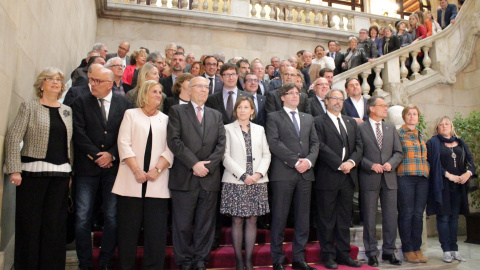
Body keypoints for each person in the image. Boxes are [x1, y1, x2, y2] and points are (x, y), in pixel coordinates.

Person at [5, 68, 71, 269]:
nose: (55, 82)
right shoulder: (29, 106)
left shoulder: (67, 110)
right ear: (41, 84)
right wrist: (14, 169)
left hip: (60, 175)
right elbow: (14, 137)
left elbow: (69, 143)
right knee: (30, 225)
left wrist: (70, 172)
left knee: (54, 226)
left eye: (58, 80)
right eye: (50, 79)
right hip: (32, 174)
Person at [72, 67, 132, 270]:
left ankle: (105, 261)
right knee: (82, 218)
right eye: (92, 80)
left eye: (98, 81)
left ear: (109, 83)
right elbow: (78, 133)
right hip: (86, 169)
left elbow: (127, 134)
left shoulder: (124, 104)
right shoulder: (81, 101)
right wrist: (97, 156)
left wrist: (112, 154)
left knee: (112, 217)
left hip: (113, 169)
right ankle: (85, 263)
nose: (93, 84)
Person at [167, 76, 226, 270]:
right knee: (182, 224)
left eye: (206, 87)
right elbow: (174, 141)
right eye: (199, 86)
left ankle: (201, 260)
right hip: (185, 176)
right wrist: (194, 164)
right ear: (189, 90)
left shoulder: (216, 115)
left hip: (209, 178)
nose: (203, 90)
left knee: (205, 224)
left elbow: (221, 145)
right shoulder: (177, 111)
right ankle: (184, 260)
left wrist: (207, 167)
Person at [113, 80, 173, 269]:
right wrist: (137, 170)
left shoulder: (166, 119)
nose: (159, 94)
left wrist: (157, 170)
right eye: (154, 91)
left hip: (157, 183)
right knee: (127, 233)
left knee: (156, 234)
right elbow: (123, 143)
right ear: (144, 94)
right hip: (131, 182)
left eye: (160, 91)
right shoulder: (131, 114)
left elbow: (170, 148)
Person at [267, 83, 319, 270]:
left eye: (298, 93)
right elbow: (274, 142)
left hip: (306, 174)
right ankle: (278, 259)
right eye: (291, 93)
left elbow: (315, 143)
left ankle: (299, 258)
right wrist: (295, 161)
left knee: (303, 218)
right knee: (280, 218)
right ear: (282, 97)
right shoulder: (274, 117)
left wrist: (309, 162)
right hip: (283, 173)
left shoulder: (308, 118)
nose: (296, 96)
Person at [313, 89, 363, 269]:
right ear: (326, 101)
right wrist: (339, 163)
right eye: (334, 98)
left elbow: (359, 146)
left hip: (348, 177)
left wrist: (350, 162)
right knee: (326, 220)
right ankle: (327, 256)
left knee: (344, 219)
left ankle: (344, 254)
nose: (338, 102)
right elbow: (319, 145)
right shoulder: (318, 121)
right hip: (328, 176)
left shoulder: (350, 121)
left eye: (341, 99)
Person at [221, 96, 271, 270]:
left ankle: (248, 261)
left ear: (252, 111)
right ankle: (239, 262)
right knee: (237, 221)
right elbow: (225, 156)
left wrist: (257, 174)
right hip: (236, 182)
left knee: (252, 220)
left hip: (257, 181)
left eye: (246, 107)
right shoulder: (227, 129)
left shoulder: (260, 129)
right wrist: (243, 176)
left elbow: (267, 154)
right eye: (240, 107)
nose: (243, 110)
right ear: (236, 110)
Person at [358, 96, 403, 267]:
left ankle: (389, 252)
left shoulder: (391, 128)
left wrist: (390, 164)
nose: (386, 108)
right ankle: (371, 253)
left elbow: (398, 152)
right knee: (369, 218)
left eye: (386, 106)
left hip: (389, 179)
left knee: (390, 217)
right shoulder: (361, 128)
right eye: (382, 106)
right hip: (369, 178)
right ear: (371, 108)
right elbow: (357, 154)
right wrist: (371, 165)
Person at [426, 116, 475, 263]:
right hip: (442, 185)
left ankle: (455, 249)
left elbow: (471, 163)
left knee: (454, 218)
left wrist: (468, 174)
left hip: (459, 185)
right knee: (444, 217)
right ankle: (446, 250)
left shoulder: (461, 143)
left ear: (451, 127)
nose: (444, 126)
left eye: (447, 123)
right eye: (441, 124)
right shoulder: (433, 143)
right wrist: (448, 175)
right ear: (437, 128)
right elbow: (432, 164)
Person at [396, 105, 430, 264]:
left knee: (418, 215)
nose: (412, 116)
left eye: (415, 114)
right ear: (404, 117)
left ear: (418, 117)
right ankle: (408, 249)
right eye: (409, 114)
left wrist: (427, 169)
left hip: (422, 178)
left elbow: (426, 157)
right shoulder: (399, 134)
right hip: (405, 177)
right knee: (406, 213)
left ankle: (417, 248)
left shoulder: (421, 135)